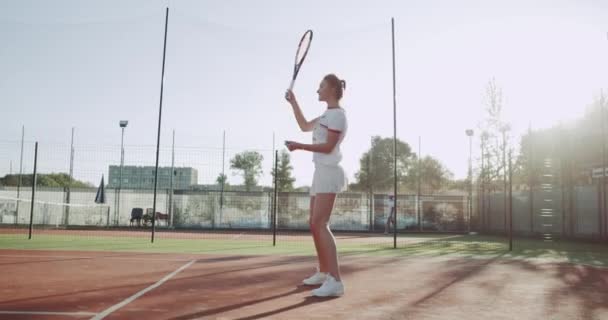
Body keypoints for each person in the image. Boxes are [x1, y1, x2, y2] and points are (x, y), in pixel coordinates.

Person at [284, 73, 348, 297]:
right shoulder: (325, 115)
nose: (317, 90)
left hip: (329, 172)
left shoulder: (338, 115)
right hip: (319, 172)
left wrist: (299, 147)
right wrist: (293, 102)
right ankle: (323, 272)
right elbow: (303, 126)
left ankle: (336, 280)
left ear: (331, 89)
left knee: (321, 223)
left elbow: (329, 147)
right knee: (314, 223)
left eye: (321, 86)